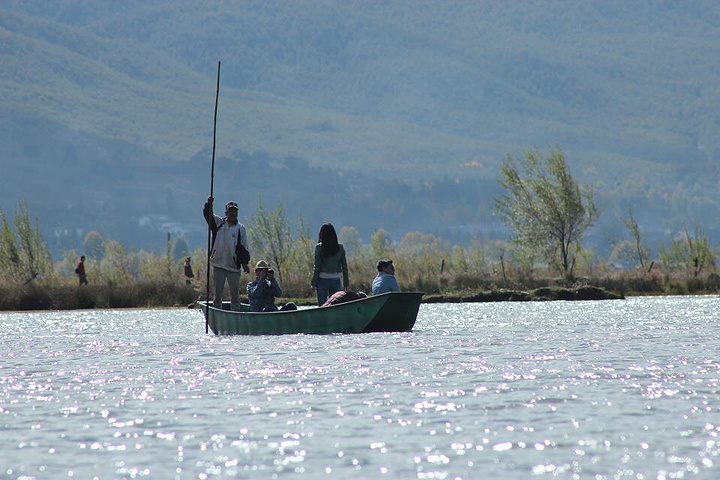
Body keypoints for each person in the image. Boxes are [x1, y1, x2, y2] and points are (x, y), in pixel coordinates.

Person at [203, 196, 250, 311]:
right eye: (231, 211)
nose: (233, 214)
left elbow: (244, 248)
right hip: (218, 263)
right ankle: (217, 314)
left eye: (235, 211)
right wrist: (209, 204)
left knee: (235, 295)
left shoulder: (240, 229)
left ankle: (236, 314)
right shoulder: (218, 223)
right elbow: (207, 215)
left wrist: (245, 263)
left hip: (233, 266)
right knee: (217, 295)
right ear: (226, 213)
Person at [311, 223, 349, 306]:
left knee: (322, 307)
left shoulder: (319, 247)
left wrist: (313, 283)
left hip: (322, 280)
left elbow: (317, 266)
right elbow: (344, 267)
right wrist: (346, 283)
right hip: (335, 280)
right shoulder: (340, 248)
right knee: (335, 306)